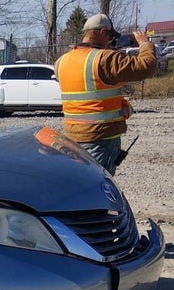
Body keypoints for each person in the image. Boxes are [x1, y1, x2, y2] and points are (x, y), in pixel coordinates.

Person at [54, 13, 157, 174]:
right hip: (100, 137)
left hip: (72, 135)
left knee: (80, 181)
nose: (110, 40)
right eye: (109, 36)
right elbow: (145, 66)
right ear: (102, 32)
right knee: (100, 186)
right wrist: (144, 44)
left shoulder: (61, 61)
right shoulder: (104, 59)